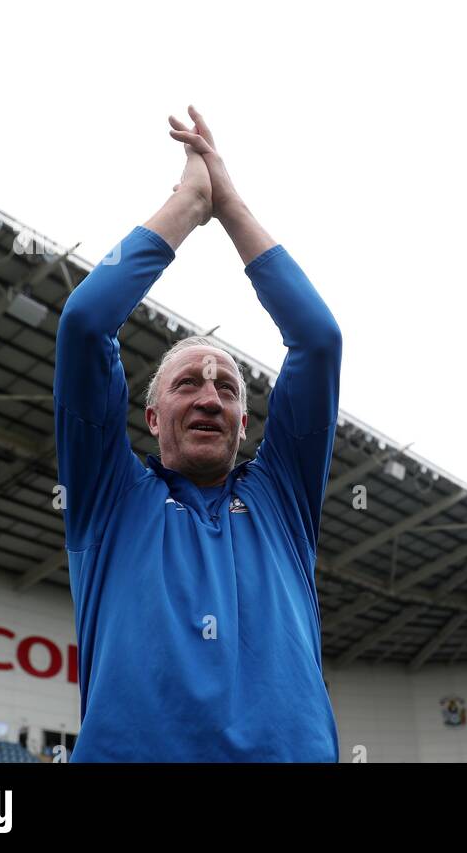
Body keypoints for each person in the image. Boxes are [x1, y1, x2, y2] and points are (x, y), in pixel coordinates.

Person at [54, 106, 342, 761]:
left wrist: (232, 205)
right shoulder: (110, 497)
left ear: (246, 422)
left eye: (227, 388)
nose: (209, 395)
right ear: (151, 417)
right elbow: (84, 323)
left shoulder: (282, 500)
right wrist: (190, 203)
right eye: (187, 383)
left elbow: (319, 341)